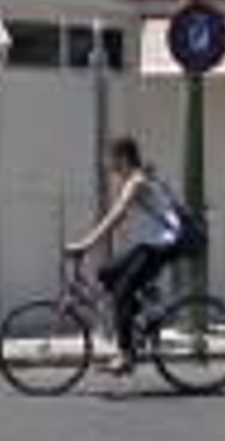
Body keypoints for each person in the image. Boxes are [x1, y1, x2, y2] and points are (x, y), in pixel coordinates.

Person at [66, 137, 204, 374]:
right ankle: (146, 310)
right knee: (106, 273)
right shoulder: (133, 180)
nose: (107, 163)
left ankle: (126, 355)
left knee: (122, 292)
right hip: (149, 244)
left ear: (123, 158)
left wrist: (85, 244)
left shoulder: (137, 181)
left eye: (111, 158)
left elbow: (116, 216)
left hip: (165, 244)